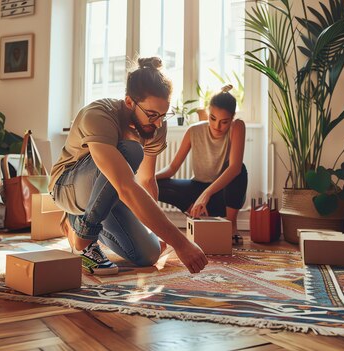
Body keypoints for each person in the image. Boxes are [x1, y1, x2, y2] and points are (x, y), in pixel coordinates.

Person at [50, 56, 208, 276]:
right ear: (129, 102)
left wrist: (157, 232)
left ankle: (77, 222)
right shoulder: (99, 115)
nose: (158, 123)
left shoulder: (155, 125)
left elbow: (146, 181)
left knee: (149, 254)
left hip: (109, 190)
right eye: (152, 115)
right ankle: (85, 238)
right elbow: (125, 186)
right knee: (131, 151)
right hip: (68, 186)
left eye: (164, 115)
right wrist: (181, 243)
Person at [156, 85, 247, 244]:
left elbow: (235, 168)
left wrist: (206, 195)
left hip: (221, 195)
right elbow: (172, 168)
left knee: (241, 171)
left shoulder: (237, 127)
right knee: (157, 184)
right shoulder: (193, 131)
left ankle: (231, 226)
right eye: (213, 118)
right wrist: (148, 178)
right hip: (196, 190)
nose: (217, 126)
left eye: (224, 122)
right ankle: (194, 210)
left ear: (232, 118)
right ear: (208, 112)